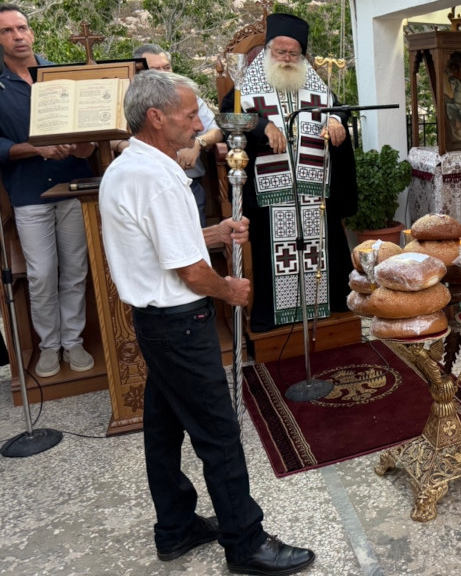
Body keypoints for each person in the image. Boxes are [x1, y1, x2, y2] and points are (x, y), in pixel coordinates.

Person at [99, 69, 315, 574]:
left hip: (156, 322)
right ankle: (245, 541)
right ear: (155, 118)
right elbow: (190, 272)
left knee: (163, 426)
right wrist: (231, 290)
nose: (200, 122)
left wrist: (214, 234)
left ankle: (174, 527)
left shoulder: (132, 166)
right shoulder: (155, 178)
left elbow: (166, 242)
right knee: (219, 433)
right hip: (180, 322)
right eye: (189, 113)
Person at [220, 13, 357, 332]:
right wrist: (262, 126)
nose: (285, 58)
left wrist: (337, 120)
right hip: (271, 196)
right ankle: (275, 317)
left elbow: (338, 108)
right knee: (274, 256)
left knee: (324, 250)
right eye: (279, 52)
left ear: (302, 56)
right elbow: (228, 115)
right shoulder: (248, 85)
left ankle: (330, 307)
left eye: (292, 53)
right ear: (267, 52)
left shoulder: (315, 85)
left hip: (314, 190)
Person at [0, 3, 95, 378]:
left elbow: (87, 127)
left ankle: (73, 342)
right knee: (41, 274)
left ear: (32, 32)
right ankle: (48, 345)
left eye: (22, 28)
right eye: (7, 31)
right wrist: (34, 149)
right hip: (27, 193)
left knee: (74, 270)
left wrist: (84, 144)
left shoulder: (58, 75)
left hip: (72, 185)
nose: (18, 36)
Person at [133, 44, 223, 225]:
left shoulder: (189, 97)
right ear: (139, 73)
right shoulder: (131, 102)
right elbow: (113, 140)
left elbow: (216, 131)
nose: (165, 74)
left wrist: (198, 143)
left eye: (167, 67)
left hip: (188, 183)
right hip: (146, 187)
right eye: (156, 69)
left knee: (196, 244)